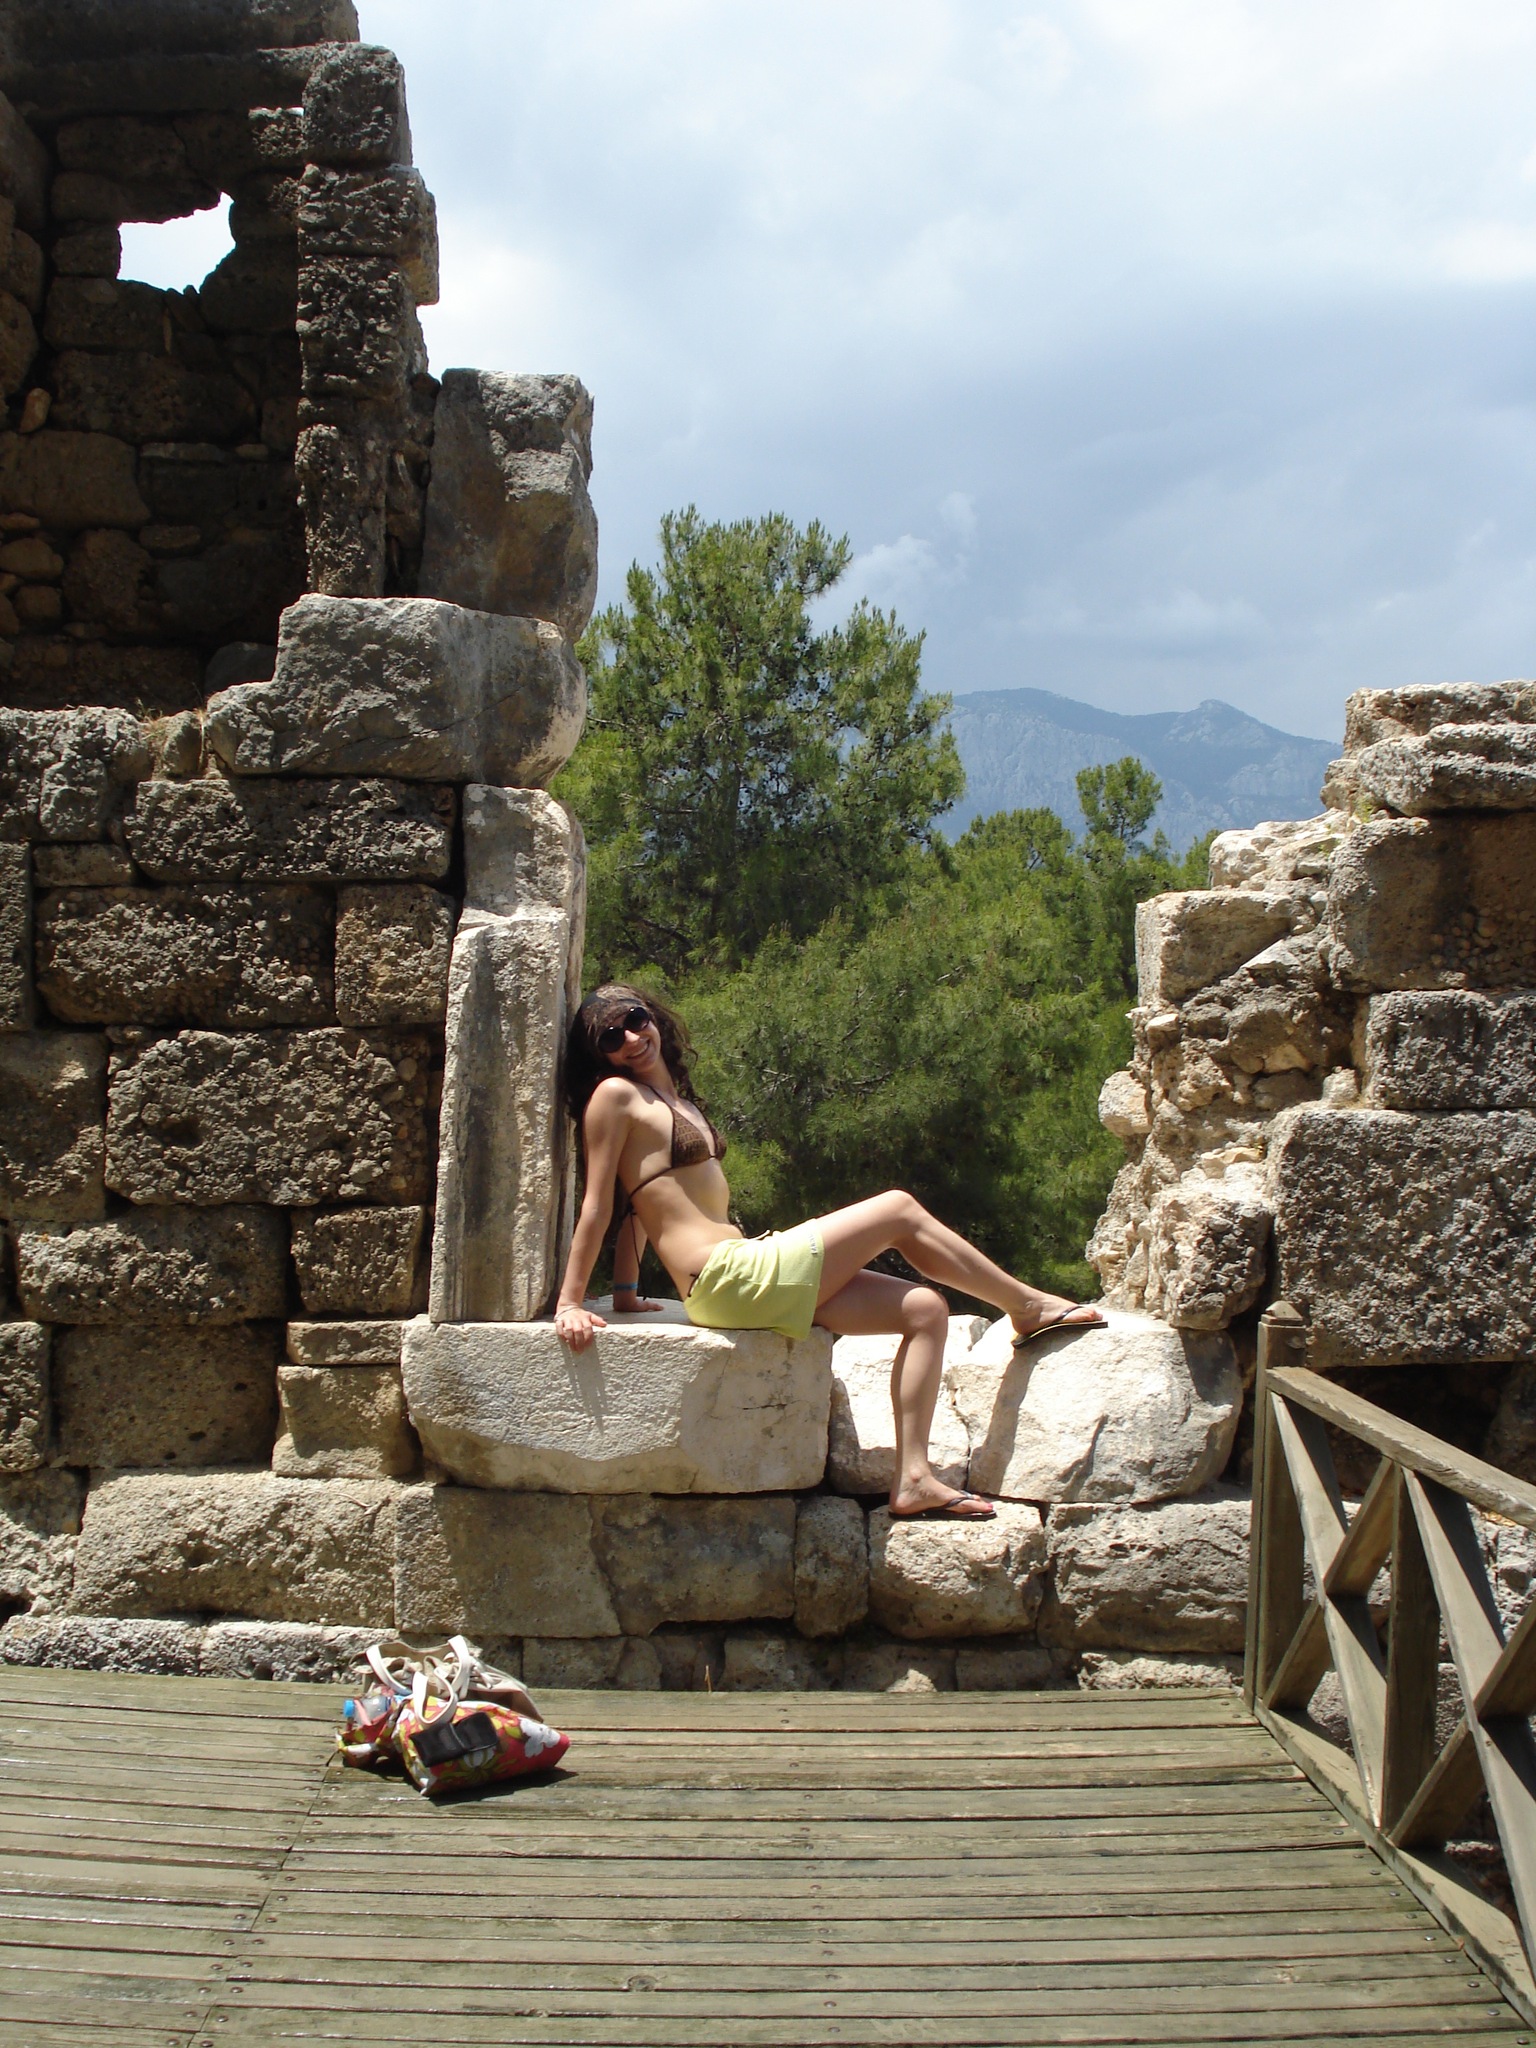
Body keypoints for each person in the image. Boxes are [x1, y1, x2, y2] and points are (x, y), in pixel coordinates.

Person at [553, 984, 1106, 1519]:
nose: (631, 1038)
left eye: (635, 1020)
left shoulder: (674, 1100)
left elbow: (640, 1206)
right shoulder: (615, 1096)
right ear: (602, 1056)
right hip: (726, 1279)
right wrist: (570, 1303)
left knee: (924, 1310)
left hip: (745, 1273)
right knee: (898, 1208)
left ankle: (913, 1480)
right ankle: (1026, 1307)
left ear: (652, 1017)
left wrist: (625, 1295)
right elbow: (600, 1203)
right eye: (611, 1037)